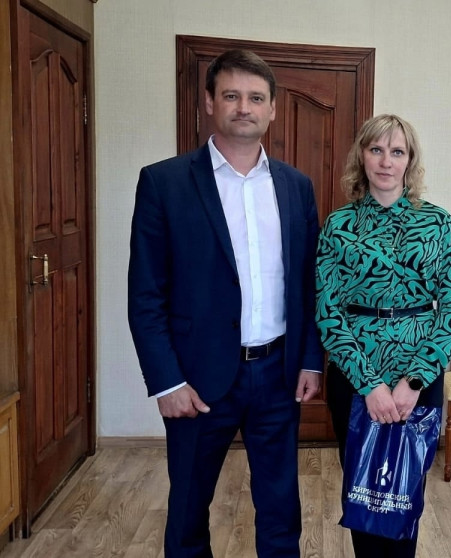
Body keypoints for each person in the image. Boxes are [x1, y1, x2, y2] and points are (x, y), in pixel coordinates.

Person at [127, 49, 323, 558]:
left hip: (278, 376)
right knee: (188, 512)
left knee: (281, 512)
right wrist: (166, 382)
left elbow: (309, 284)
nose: (244, 107)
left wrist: (309, 359)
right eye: (232, 95)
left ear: (272, 109)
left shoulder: (296, 188)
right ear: (210, 102)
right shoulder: (164, 183)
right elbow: (145, 293)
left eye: (256, 98)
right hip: (196, 381)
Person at [315, 114, 451, 557]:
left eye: (397, 151)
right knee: (364, 489)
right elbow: (328, 313)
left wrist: (413, 381)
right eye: (376, 150)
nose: (386, 161)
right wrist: (371, 386)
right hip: (355, 378)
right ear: (361, 156)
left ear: (409, 160)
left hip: (419, 379)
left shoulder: (437, 224)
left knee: (404, 492)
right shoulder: (339, 226)